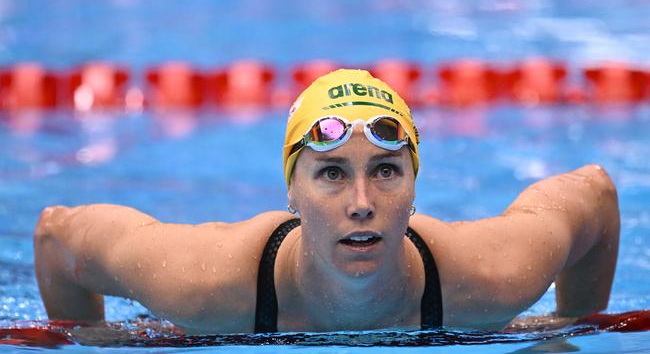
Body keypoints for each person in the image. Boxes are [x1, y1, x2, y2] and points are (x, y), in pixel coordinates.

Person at [34, 69, 620, 334]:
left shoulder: (494, 275)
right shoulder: (200, 284)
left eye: (386, 170)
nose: (362, 202)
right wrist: (84, 338)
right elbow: (57, 235)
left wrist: (567, 332)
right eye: (332, 174)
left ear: (415, 185)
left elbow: (594, 193)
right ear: (292, 190)